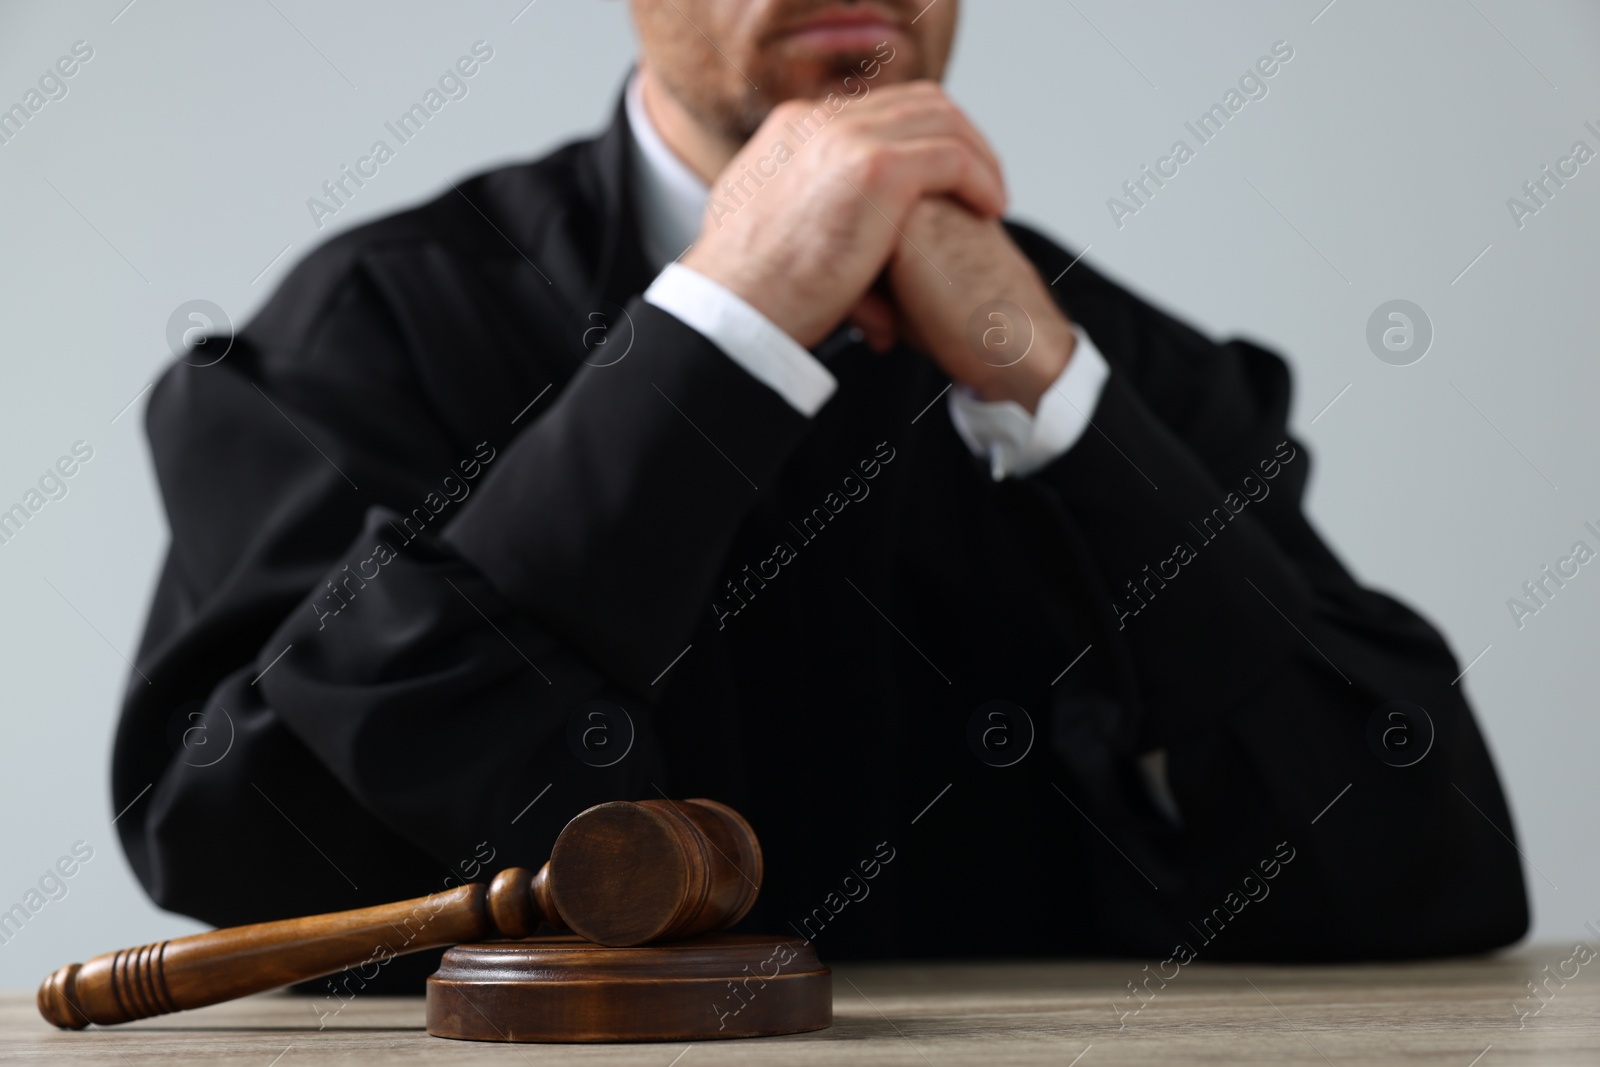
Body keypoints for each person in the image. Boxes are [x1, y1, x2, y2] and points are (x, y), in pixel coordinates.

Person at [113, 0, 1527, 980]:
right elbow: (244, 853)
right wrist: (726, 332)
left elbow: (1427, 873)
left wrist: (1058, 400)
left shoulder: (1126, 364)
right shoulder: (372, 330)